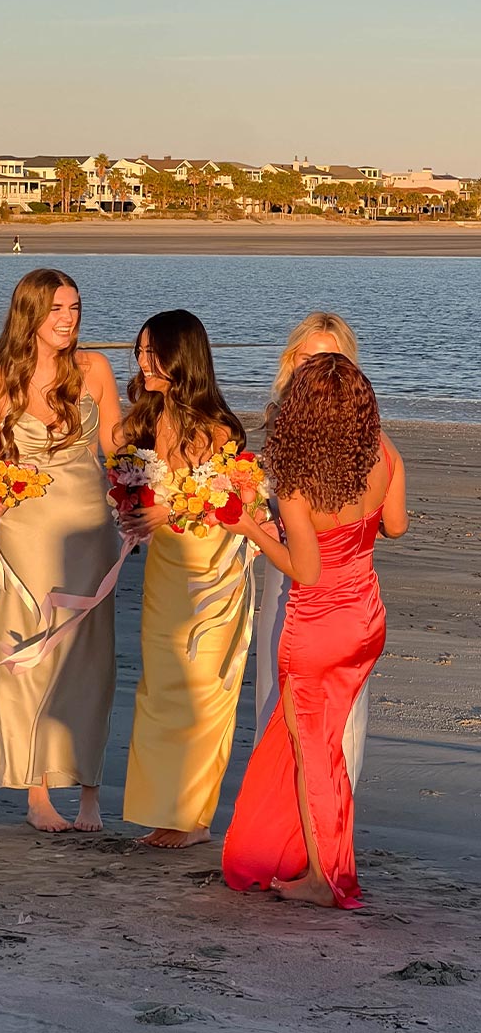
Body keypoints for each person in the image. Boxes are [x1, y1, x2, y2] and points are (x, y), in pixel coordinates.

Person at [222, 354, 408, 908]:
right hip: (366, 619)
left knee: (315, 753)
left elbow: (305, 571)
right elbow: (394, 526)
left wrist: (252, 528)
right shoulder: (384, 452)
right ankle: (309, 855)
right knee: (319, 745)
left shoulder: (300, 484)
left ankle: (326, 878)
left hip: (317, 627)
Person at [0, 269, 122, 833]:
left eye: (75, 307)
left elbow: (114, 446)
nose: (68, 319)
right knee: (30, 644)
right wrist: (6, 485)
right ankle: (36, 788)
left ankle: (88, 787)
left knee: (89, 652)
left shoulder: (95, 369)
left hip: (89, 526)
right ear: (29, 314)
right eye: (57, 308)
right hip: (27, 528)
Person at [120, 310, 251, 849]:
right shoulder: (148, 419)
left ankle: (194, 817)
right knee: (160, 687)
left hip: (210, 570)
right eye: (142, 352)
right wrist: (128, 499)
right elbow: (123, 458)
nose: (144, 362)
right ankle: (163, 807)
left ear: (182, 358)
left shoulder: (217, 429)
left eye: (154, 353)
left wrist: (164, 512)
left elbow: (225, 502)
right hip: (166, 568)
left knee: (203, 688)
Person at [255, 312, 369, 789]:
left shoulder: (362, 432)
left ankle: (332, 813)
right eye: (307, 359)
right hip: (285, 579)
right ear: (291, 362)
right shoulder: (278, 420)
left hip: (330, 584)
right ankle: (278, 814)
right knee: (272, 695)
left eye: (329, 359)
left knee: (341, 710)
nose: (315, 370)